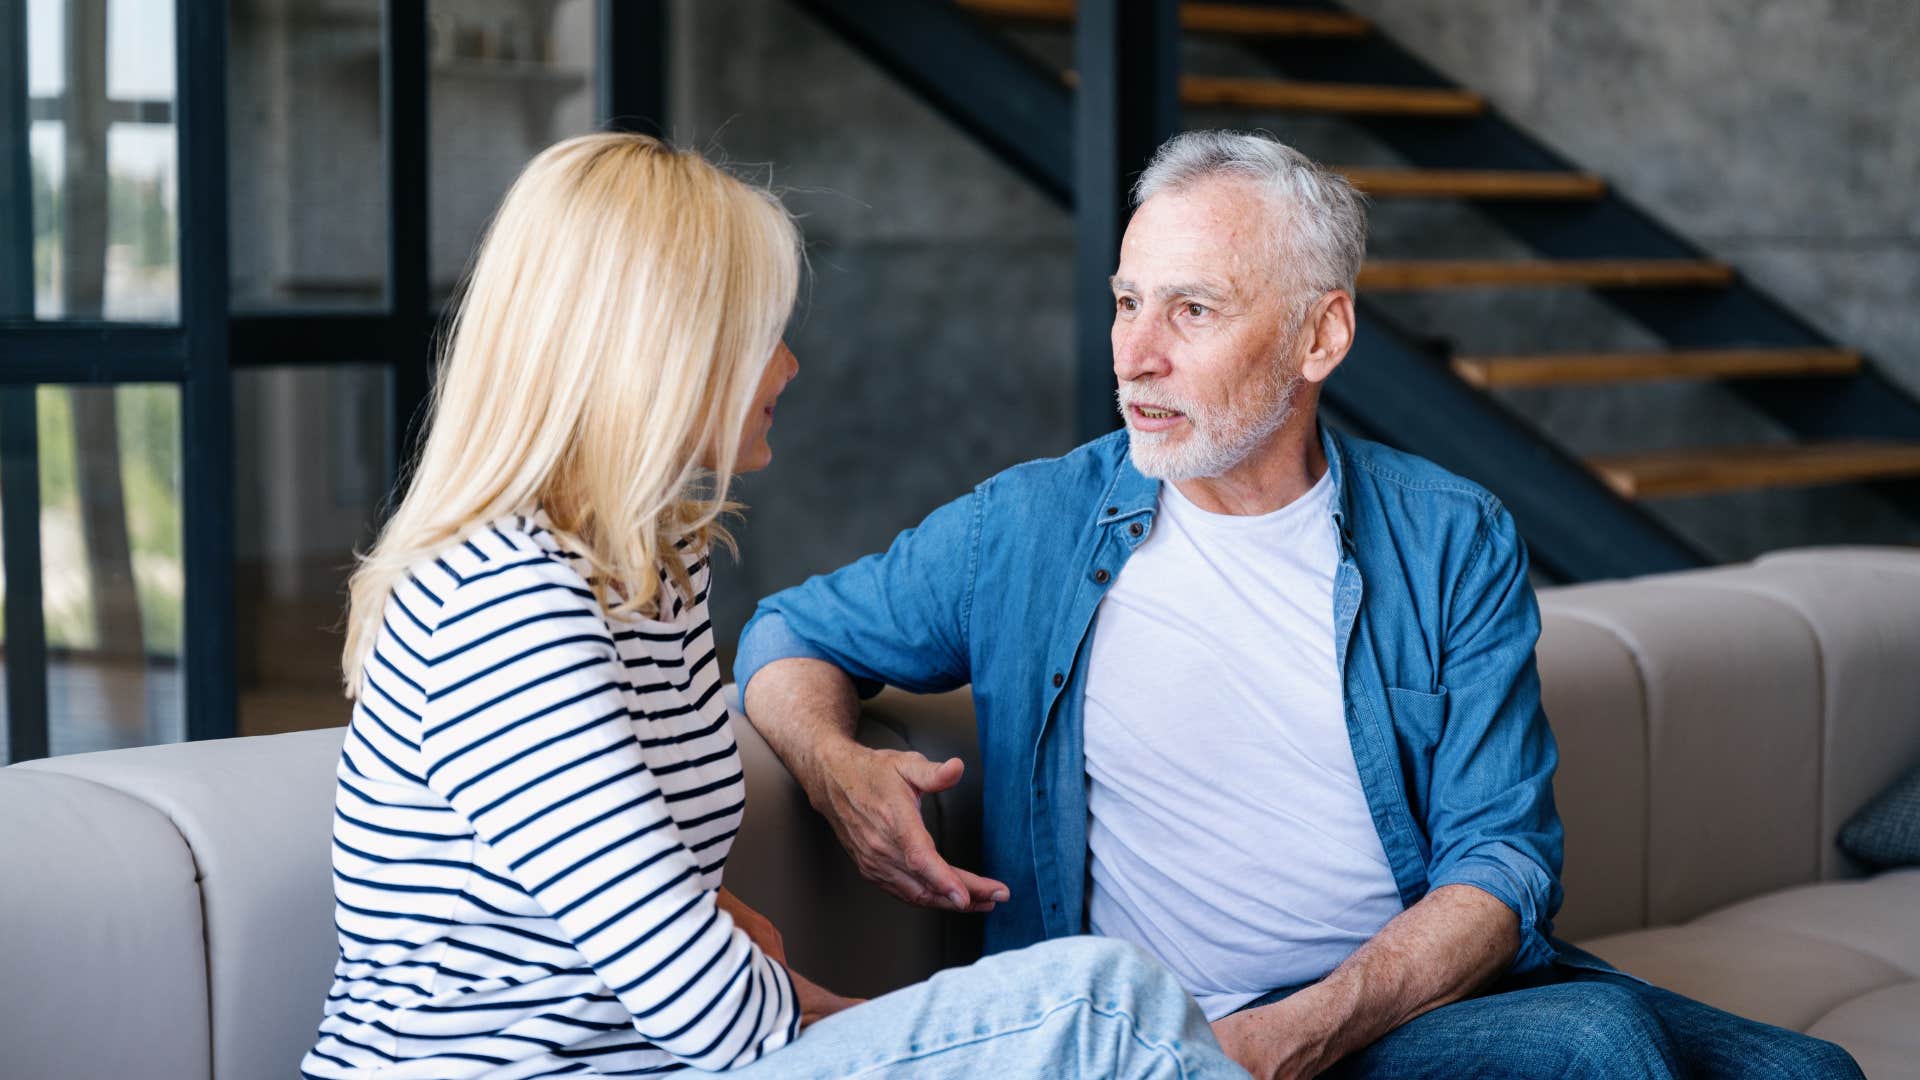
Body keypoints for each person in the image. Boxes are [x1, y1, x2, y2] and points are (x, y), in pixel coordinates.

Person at [734, 130, 1866, 1080]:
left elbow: (1504, 862)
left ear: (1321, 335)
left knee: (1816, 1070)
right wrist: (834, 765)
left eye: (1191, 311)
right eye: (1128, 301)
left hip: (1395, 1008)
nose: (1134, 355)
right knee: (1595, 1043)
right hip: (1165, 1035)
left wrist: (1300, 1034)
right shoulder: (1028, 526)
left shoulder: (1447, 533)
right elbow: (791, 632)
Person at [303, 132, 1240, 1080]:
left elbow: (679, 933)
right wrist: (939, 1040)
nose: (788, 367)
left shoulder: (655, 573)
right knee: (1105, 1006)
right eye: (758, 337)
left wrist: (894, 1026)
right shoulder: (503, 602)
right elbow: (697, 997)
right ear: (652, 349)